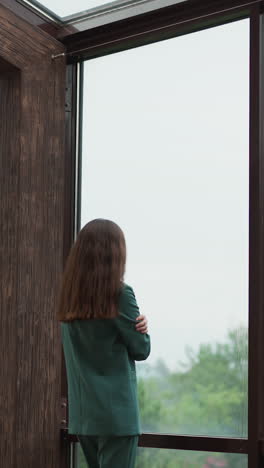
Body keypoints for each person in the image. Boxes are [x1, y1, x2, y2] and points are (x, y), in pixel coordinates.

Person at [57, 218, 151, 468]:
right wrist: (143, 328)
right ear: (116, 254)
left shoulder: (69, 298)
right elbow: (141, 350)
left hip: (84, 417)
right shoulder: (120, 294)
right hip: (117, 419)